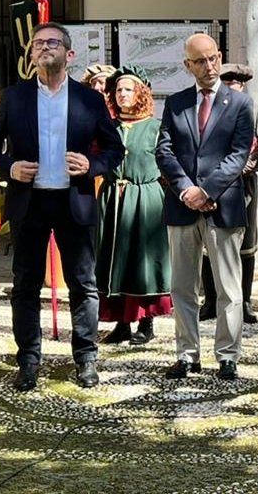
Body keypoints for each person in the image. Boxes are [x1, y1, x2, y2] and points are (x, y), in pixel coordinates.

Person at [0, 22, 123, 392]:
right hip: (30, 203)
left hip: (74, 202)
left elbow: (114, 149)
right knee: (25, 285)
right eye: (38, 44)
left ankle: (86, 357)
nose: (44, 48)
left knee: (83, 285)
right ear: (31, 55)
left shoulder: (89, 100)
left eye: (52, 43)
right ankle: (28, 359)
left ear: (69, 54)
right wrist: (9, 167)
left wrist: (92, 166)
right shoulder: (15, 97)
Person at [155, 33, 254, 381]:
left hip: (222, 205)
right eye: (200, 61)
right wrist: (186, 191)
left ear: (220, 56)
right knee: (183, 286)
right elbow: (164, 151)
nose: (209, 66)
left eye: (213, 58)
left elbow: (239, 154)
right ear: (187, 65)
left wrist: (207, 190)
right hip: (182, 208)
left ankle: (228, 355)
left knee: (228, 287)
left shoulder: (240, 104)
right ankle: (187, 355)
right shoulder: (176, 102)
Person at [199, 63, 258, 324]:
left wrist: (246, 165)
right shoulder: (207, 108)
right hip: (210, 185)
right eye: (227, 81)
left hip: (243, 186)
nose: (232, 86)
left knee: (246, 244)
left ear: (243, 85)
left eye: (236, 82)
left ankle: (244, 301)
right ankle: (210, 300)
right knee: (207, 244)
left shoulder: (254, 109)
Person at [95, 67, 173, 345]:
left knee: (142, 261)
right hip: (113, 198)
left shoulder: (156, 127)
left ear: (140, 93)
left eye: (128, 89)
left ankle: (146, 322)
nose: (122, 94)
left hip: (145, 199)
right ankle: (120, 324)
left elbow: (168, 164)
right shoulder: (108, 128)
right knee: (114, 260)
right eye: (118, 90)